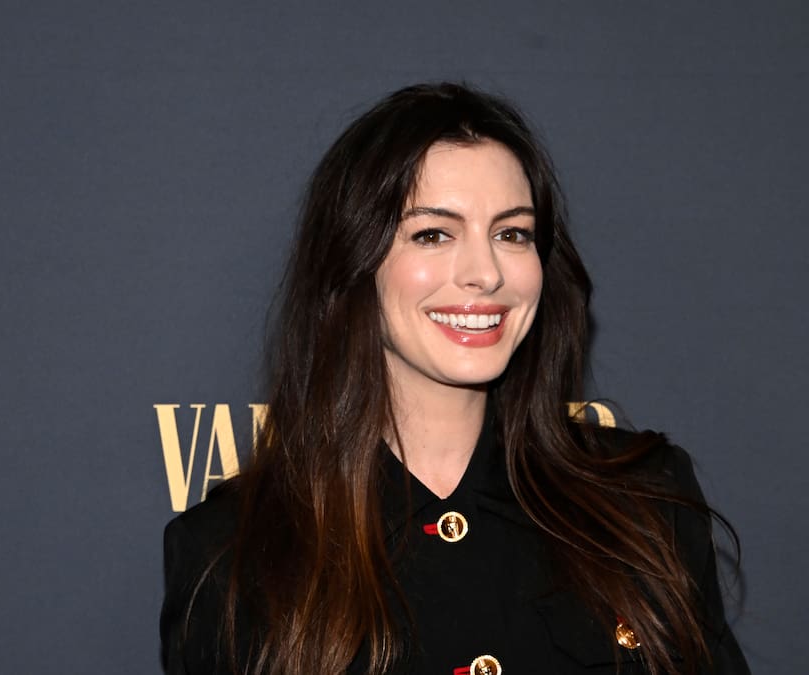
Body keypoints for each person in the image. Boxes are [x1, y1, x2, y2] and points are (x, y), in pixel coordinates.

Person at [160, 82, 749, 675]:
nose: (485, 273)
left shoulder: (643, 500)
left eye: (511, 233)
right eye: (433, 234)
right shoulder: (231, 554)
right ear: (353, 261)